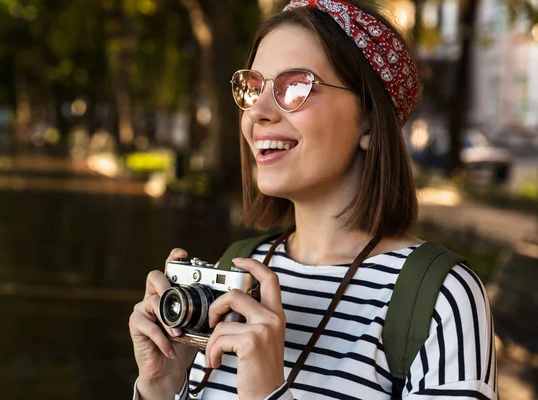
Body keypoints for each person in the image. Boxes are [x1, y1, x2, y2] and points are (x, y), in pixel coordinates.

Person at [128, 0, 497, 399]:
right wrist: (162, 387)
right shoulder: (235, 270)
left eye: (296, 86)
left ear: (370, 121)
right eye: (253, 89)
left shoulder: (442, 299)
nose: (259, 113)